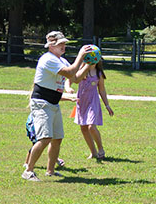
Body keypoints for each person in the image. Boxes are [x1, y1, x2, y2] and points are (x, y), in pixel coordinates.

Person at [21, 31, 91, 181]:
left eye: (64, 43)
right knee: (45, 138)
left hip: (53, 103)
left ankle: (50, 171)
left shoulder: (62, 61)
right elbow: (71, 71)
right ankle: (28, 170)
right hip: (42, 103)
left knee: (57, 138)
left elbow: (76, 78)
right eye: (60, 44)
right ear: (51, 46)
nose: (63, 46)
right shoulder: (48, 59)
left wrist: (88, 64)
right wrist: (80, 56)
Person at [72, 59, 114, 159]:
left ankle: (100, 149)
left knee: (91, 126)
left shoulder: (99, 73)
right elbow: (74, 79)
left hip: (93, 101)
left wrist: (107, 105)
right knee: (83, 127)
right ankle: (93, 152)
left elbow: (102, 90)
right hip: (82, 101)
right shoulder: (81, 70)